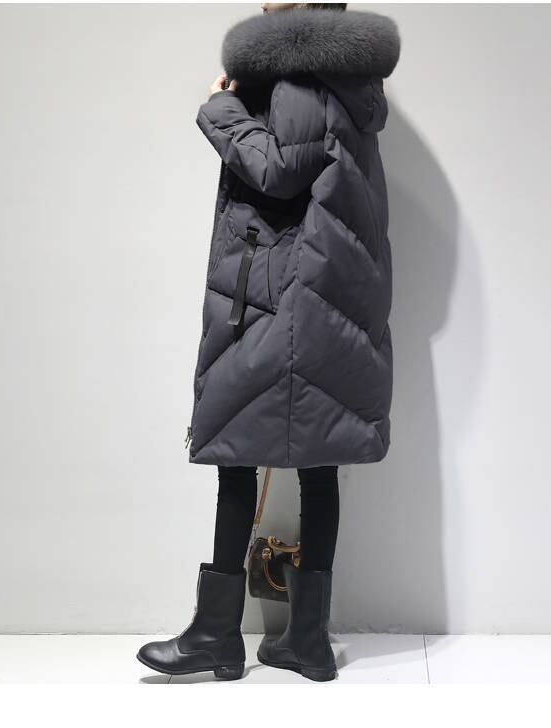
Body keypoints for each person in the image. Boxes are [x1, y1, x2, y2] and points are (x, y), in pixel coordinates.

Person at [137, 3, 400, 682]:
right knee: (316, 463)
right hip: (322, 293)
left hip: (285, 295)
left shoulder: (301, 79)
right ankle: (305, 640)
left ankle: (217, 635)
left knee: (237, 455)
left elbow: (279, 169)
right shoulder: (343, 81)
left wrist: (222, 111)